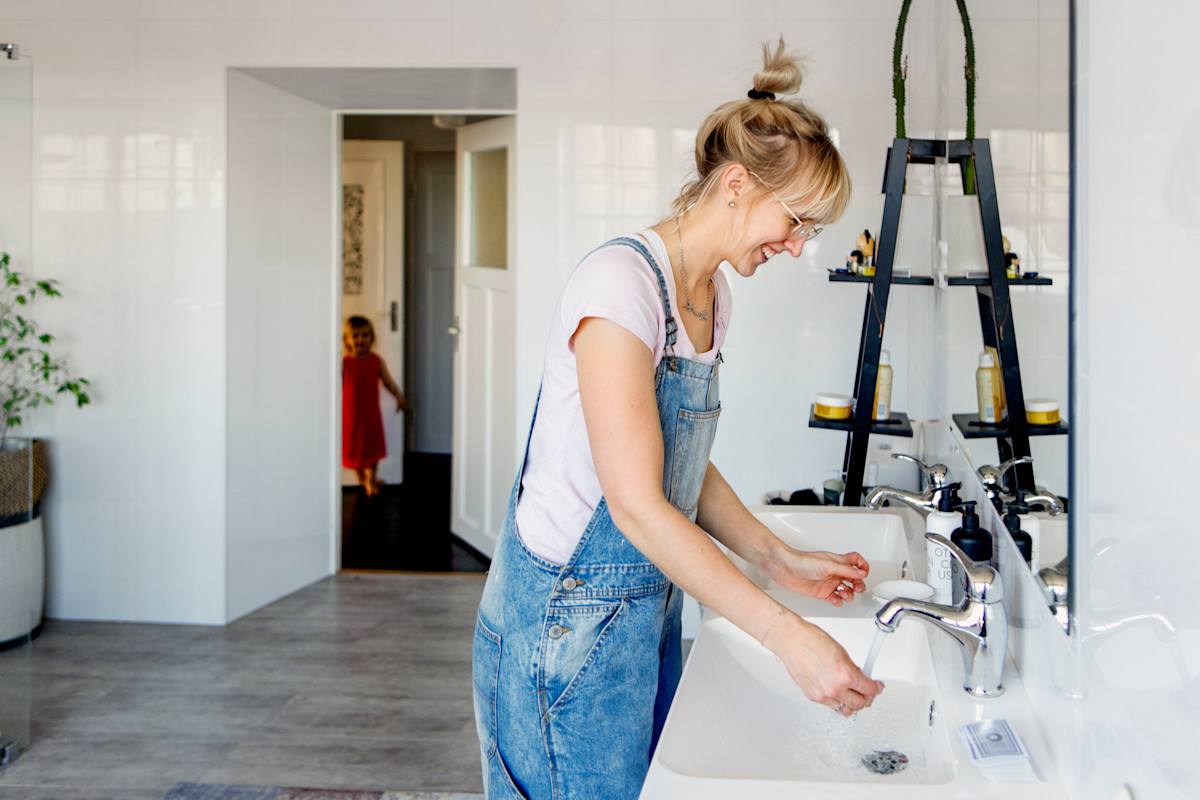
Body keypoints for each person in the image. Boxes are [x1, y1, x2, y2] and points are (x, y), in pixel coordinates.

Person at [471, 39, 884, 800]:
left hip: (641, 614)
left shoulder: (709, 296)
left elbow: (675, 460)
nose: (796, 248)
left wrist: (776, 556)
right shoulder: (620, 286)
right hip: (561, 629)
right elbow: (636, 504)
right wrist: (785, 635)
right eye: (794, 221)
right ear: (735, 185)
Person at [342, 315, 405, 497]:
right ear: (347, 340)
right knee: (355, 448)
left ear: (371, 337)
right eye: (355, 336)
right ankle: (362, 478)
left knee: (372, 445)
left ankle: (371, 478)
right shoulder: (344, 363)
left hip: (370, 414)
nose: (360, 339)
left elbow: (388, 381)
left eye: (365, 335)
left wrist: (399, 397)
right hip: (351, 415)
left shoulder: (376, 360)